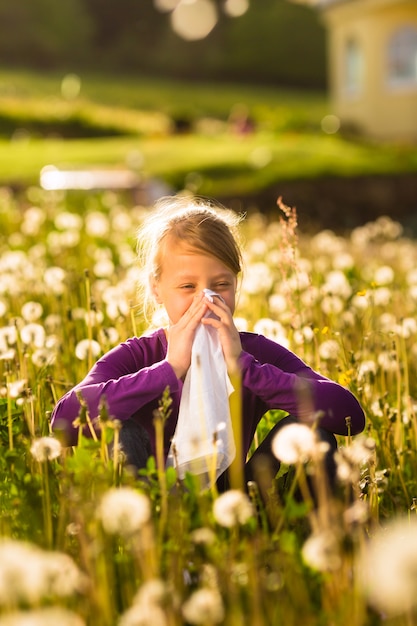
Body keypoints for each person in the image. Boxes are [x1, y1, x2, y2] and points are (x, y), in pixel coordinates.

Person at [51, 195, 365, 493]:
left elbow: (349, 416)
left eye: (221, 285)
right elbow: (64, 421)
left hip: (236, 495)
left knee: (315, 433)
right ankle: (145, 536)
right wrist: (168, 370)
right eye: (188, 286)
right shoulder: (138, 355)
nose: (206, 299)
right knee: (121, 431)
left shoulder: (252, 353)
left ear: (236, 284)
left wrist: (244, 368)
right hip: (151, 499)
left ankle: (292, 530)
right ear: (157, 289)